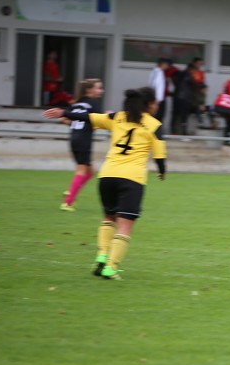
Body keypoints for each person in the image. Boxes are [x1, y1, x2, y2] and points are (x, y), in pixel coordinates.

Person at [42, 87, 167, 280]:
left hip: (107, 176)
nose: (157, 106)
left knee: (109, 218)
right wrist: (162, 171)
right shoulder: (155, 125)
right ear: (149, 105)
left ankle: (101, 256)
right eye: (155, 103)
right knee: (125, 226)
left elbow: (89, 117)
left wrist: (63, 112)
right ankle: (111, 267)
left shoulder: (117, 117)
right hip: (132, 179)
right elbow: (159, 156)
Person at [59, 78, 104, 211]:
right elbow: (100, 122)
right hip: (84, 139)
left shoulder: (77, 104)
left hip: (74, 138)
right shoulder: (94, 104)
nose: (101, 90)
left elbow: (64, 119)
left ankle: (71, 192)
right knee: (82, 170)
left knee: (90, 171)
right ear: (89, 90)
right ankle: (67, 203)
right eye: (98, 88)